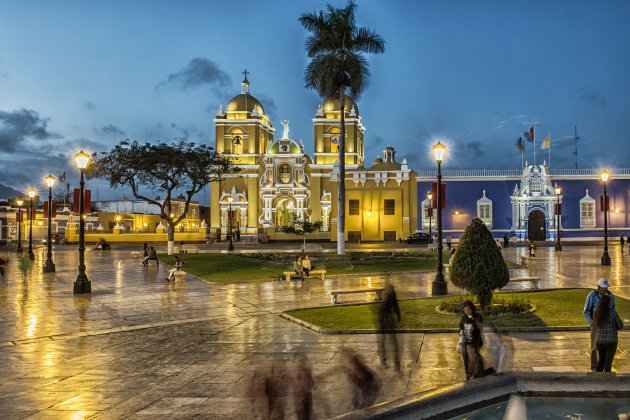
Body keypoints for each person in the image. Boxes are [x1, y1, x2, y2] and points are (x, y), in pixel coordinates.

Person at [583, 278, 617, 371]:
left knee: (606, 344)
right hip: (595, 324)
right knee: (594, 345)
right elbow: (585, 311)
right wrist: (592, 323)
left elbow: (613, 310)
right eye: (603, 288)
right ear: (598, 287)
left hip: (607, 325)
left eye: (606, 288)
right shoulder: (592, 295)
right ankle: (594, 366)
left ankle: (606, 366)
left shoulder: (611, 296)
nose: (605, 290)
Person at [457, 301, 490, 380]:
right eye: (465, 310)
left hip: (474, 342)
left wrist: (473, 321)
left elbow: (480, 327)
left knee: (474, 358)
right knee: (466, 359)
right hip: (465, 342)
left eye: (468, 310)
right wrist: (460, 336)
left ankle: (476, 374)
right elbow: (461, 328)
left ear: (472, 309)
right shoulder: (464, 317)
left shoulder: (477, 316)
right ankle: (468, 375)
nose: (467, 312)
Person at [593, 294, 623, 372]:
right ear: (609, 303)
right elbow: (620, 326)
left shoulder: (597, 313)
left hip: (599, 341)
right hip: (611, 341)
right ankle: (608, 382)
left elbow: (595, 325)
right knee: (608, 364)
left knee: (601, 361)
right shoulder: (613, 313)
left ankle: (597, 379)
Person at [376, 283, 402, 372]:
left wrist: (398, 315)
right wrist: (398, 316)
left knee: (384, 341)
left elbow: (394, 305)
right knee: (391, 341)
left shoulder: (388, 294)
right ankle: (393, 363)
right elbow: (396, 305)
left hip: (385, 320)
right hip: (387, 320)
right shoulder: (390, 293)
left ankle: (386, 362)